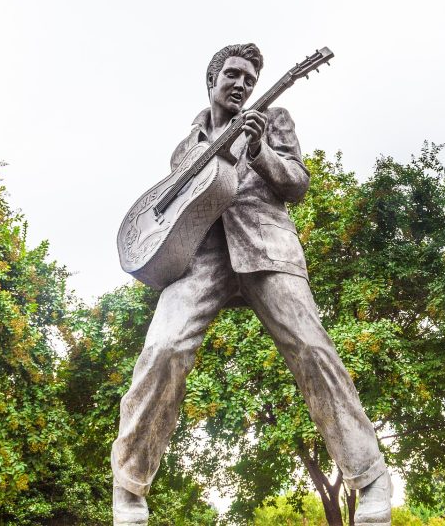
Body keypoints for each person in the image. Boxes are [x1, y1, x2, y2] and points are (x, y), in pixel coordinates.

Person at [111, 43, 391, 525]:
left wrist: (260, 151)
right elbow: (173, 209)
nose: (241, 84)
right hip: (200, 256)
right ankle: (129, 488)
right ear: (212, 81)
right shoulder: (186, 146)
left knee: (312, 348)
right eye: (233, 74)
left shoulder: (273, 118)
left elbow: (297, 182)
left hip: (265, 245)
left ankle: (369, 478)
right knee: (161, 349)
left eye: (249, 78)